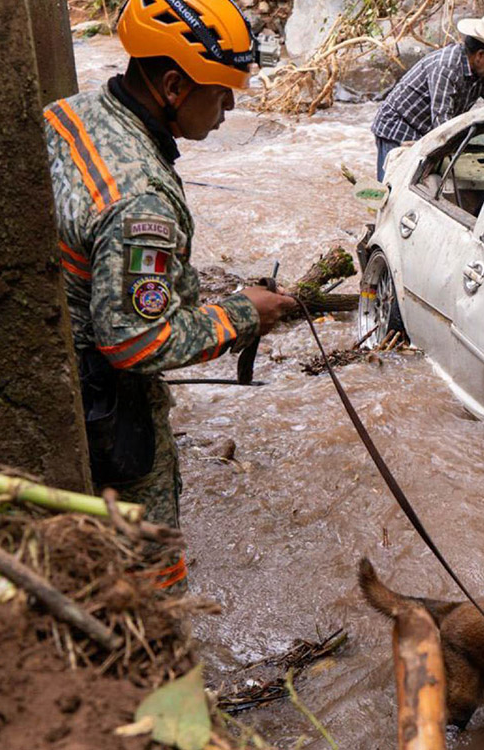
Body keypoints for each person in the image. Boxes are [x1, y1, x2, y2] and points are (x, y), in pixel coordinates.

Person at [42, 0, 295, 582]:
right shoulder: (141, 200)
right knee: (148, 581)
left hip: (65, 375)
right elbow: (136, 341)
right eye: (222, 94)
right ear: (175, 86)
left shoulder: (71, 113)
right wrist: (241, 315)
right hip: (107, 410)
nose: (230, 109)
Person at [370, 12, 484, 182]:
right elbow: (442, 125)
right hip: (398, 126)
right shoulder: (446, 67)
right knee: (393, 185)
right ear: (480, 56)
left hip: (425, 128)